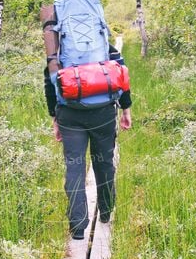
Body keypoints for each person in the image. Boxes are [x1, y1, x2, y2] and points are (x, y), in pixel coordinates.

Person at [43, 42, 132, 239]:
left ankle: (77, 227)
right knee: (104, 162)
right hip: (104, 111)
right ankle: (106, 211)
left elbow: (50, 83)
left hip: (69, 113)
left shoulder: (58, 50)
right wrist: (126, 109)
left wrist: (55, 118)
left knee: (74, 166)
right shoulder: (103, 44)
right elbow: (122, 73)